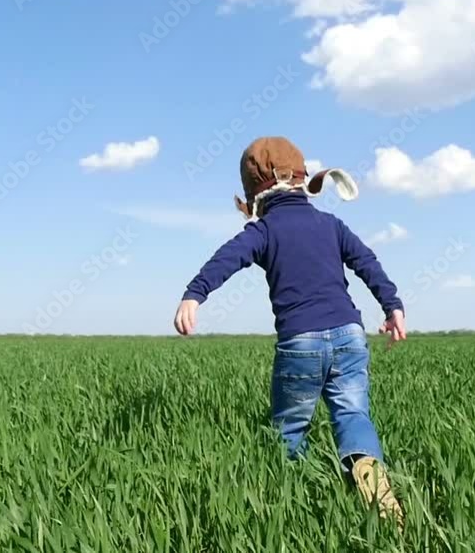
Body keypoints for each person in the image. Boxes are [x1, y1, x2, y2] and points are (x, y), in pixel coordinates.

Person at [173, 136, 406, 525]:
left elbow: (226, 259)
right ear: (302, 182)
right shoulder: (331, 224)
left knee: (290, 428)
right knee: (353, 414)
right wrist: (392, 305)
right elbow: (367, 262)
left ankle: (293, 507)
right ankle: (367, 468)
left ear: (255, 194)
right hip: (350, 334)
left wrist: (194, 295)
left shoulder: (263, 231)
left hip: (301, 342)